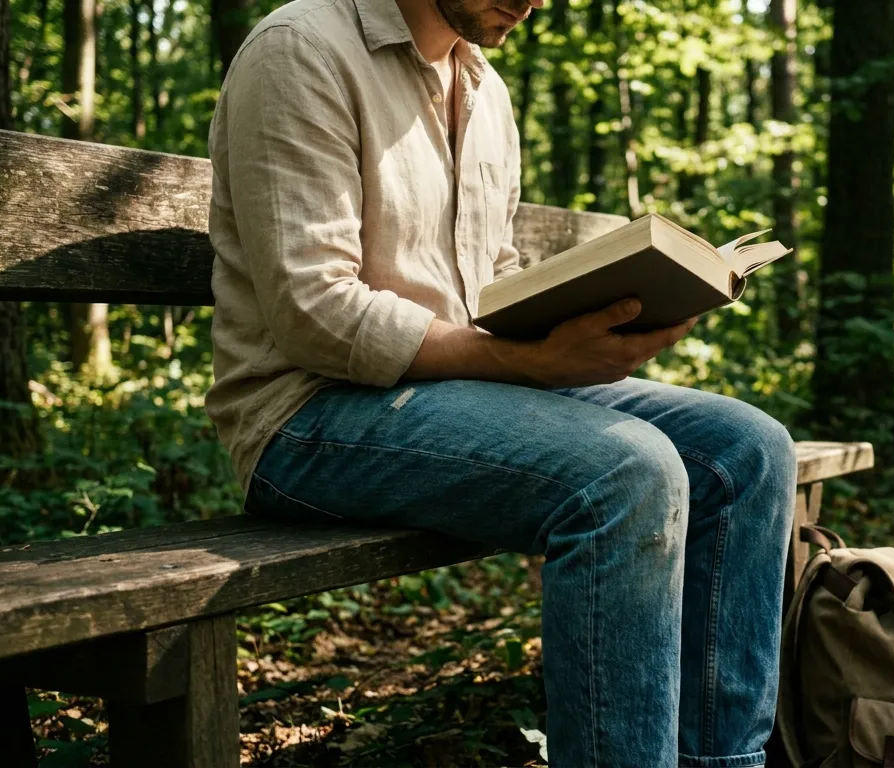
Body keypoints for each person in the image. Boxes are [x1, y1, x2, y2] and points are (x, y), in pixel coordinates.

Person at [205, 0, 796, 764]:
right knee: (628, 473)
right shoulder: (301, 49)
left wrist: (582, 328)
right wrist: (527, 363)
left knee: (749, 451)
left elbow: (493, 279)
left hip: (466, 391)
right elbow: (313, 312)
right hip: (308, 416)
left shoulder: (484, 85)